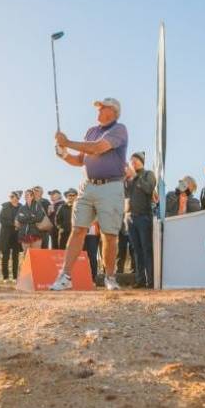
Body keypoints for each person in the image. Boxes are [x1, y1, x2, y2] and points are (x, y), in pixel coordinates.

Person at [51, 97, 129, 291]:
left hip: (111, 186)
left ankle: (109, 277)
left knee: (109, 234)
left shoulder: (119, 129)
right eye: (98, 107)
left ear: (113, 111)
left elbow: (97, 148)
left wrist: (67, 141)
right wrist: (64, 154)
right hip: (87, 186)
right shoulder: (91, 131)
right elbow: (80, 160)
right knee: (78, 229)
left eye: (102, 107)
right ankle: (65, 276)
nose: (99, 110)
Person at [124, 151, 156, 289]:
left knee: (146, 249)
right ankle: (140, 279)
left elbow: (149, 189)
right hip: (130, 218)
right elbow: (125, 196)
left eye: (136, 160)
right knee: (136, 250)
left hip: (144, 217)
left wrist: (136, 176)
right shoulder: (128, 179)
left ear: (142, 161)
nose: (133, 162)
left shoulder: (148, 174)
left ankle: (151, 280)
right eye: (131, 160)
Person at [0, 191, 22, 282]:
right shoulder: (5, 207)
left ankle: (15, 277)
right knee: (5, 257)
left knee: (15, 257)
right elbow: (1, 219)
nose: (11, 198)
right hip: (6, 235)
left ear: (17, 198)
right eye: (10, 196)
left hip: (17, 235)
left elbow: (24, 219)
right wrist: (13, 223)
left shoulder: (22, 208)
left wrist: (19, 224)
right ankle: (5, 277)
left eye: (13, 196)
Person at [16, 187, 46, 253]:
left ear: (32, 196)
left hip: (36, 235)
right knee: (26, 256)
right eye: (25, 195)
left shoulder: (38, 206)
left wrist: (26, 217)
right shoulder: (22, 208)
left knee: (36, 256)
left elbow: (39, 218)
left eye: (27, 195)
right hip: (24, 235)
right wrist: (31, 216)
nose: (25, 197)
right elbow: (19, 219)